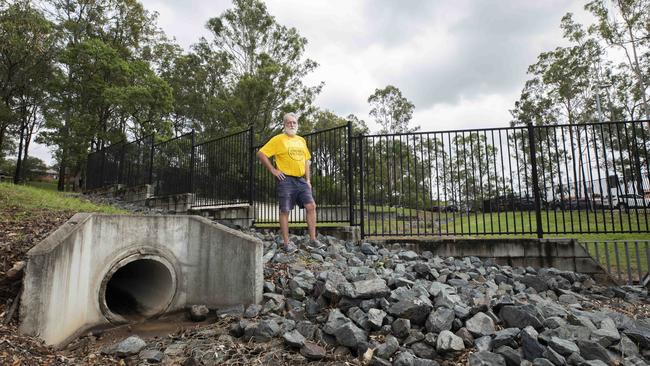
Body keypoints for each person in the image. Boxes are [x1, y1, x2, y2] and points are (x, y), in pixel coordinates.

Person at [257, 113, 322, 251]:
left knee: (311, 206)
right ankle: (286, 243)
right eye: (289, 122)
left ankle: (313, 240)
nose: (292, 125)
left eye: (294, 122)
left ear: (297, 124)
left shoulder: (301, 140)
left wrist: (308, 180)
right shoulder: (278, 139)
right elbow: (261, 153)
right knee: (285, 210)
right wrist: (273, 170)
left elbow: (306, 161)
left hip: (301, 180)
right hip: (285, 179)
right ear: (284, 124)